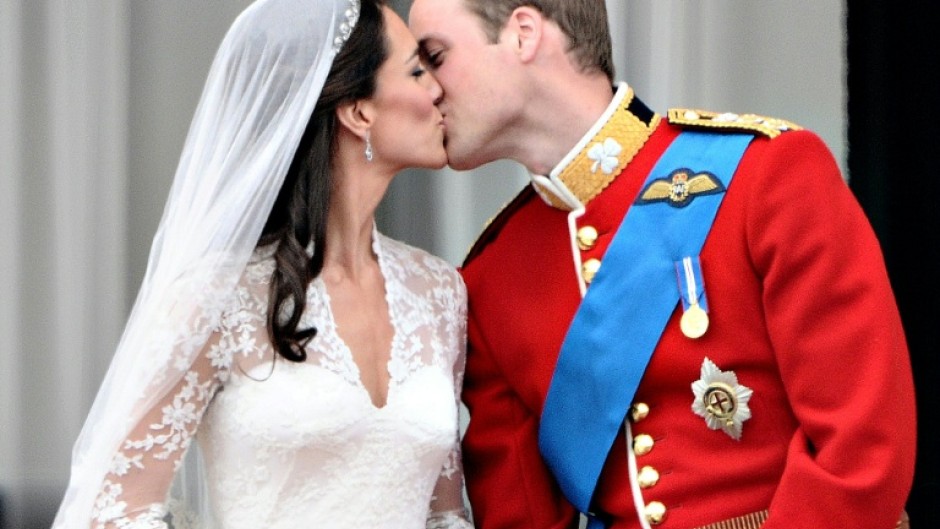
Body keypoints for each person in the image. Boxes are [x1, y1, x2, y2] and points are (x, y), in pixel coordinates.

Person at [408, 1, 916, 529]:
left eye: (435, 57)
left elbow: (861, 452)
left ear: (524, 34)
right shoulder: (493, 276)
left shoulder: (767, 176)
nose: (427, 89)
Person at [53, 0, 473, 527]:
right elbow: (115, 508)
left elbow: (445, 514)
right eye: (417, 70)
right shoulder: (218, 295)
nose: (438, 88)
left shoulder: (439, 292)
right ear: (359, 111)